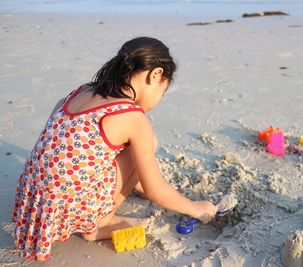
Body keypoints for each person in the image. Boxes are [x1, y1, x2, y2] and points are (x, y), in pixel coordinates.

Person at [12, 37, 218, 261]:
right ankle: (101, 223)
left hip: (35, 206)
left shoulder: (80, 91)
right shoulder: (130, 116)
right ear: (155, 75)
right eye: (162, 92)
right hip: (72, 212)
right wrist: (196, 208)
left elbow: (65, 149)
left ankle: (119, 191)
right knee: (145, 144)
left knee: (118, 145)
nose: (158, 99)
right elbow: (155, 190)